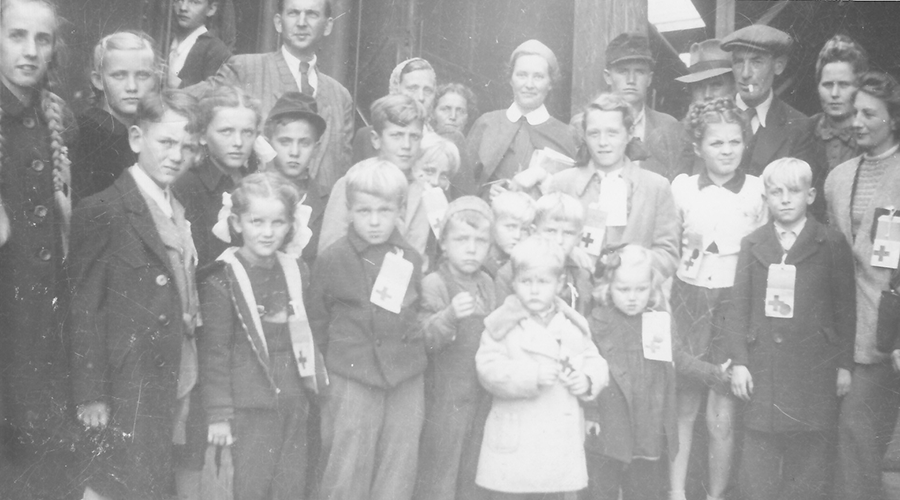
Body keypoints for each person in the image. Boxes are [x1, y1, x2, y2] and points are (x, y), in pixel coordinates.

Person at [68, 90, 201, 500]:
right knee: (114, 485)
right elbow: (84, 307)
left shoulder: (177, 206)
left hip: (169, 377)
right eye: (166, 142)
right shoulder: (103, 209)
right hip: (127, 382)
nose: (176, 155)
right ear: (136, 139)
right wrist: (91, 394)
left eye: (187, 146)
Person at [727, 157, 855, 500]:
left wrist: (844, 365)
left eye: (794, 191)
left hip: (814, 370)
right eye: (776, 192)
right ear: (765, 197)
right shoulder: (753, 243)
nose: (785, 199)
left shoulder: (830, 242)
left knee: (809, 467)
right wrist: (739, 361)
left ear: (811, 195)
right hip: (764, 367)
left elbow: (845, 309)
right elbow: (739, 305)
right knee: (757, 468)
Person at [198, 171, 322, 500]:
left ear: (290, 225)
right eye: (257, 222)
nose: (267, 233)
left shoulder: (296, 271)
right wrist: (219, 415)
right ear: (238, 223)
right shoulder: (223, 277)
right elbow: (215, 352)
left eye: (277, 223)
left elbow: (306, 335)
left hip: (294, 402)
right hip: (249, 407)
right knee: (249, 487)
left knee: (290, 486)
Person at [307, 160, 426, 500]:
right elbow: (318, 320)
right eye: (364, 211)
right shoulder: (332, 259)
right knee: (346, 466)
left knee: (399, 465)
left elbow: (413, 314)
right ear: (349, 211)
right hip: (352, 373)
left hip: (404, 375)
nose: (374, 221)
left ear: (400, 209)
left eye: (385, 210)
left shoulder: (410, 258)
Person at [668, 97, 768, 500]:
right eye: (716, 143)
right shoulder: (682, 188)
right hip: (688, 298)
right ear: (697, 148)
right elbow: (671, 243)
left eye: (734, 142)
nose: (726, 151)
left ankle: (715, 495)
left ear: (745, 143)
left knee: (721, 413)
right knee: (684, 406)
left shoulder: (759, 191)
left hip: (733, 304)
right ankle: (676, 494)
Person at [0, 0, 77, 495]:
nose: (30, 51)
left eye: (42, 39)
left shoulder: (57, 118)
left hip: (44, 330)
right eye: (16, 36)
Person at [475, 235, 607, 499]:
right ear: (514, 283)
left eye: (543, 282)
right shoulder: (502, 325)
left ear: (559, 284)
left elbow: (595, 360)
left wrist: (588, 379)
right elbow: (488, 369)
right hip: (518, 440)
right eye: (526, 282)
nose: (534, 290)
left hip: (557, 446)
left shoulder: (571, 324)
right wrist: (530, 375)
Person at [825, 71, 900, 500]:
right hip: (842, 329)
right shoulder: (838, 177)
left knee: (858, 429)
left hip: (886, 332)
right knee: (847, 438)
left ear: (892, 119)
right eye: (854, 112)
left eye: (869, 113)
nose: (857, 120)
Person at [191, 0, 353, 192]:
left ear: (328, 26)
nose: (301, 22)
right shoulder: (245, 69)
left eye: (311, 14)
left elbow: (343, 171)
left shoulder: (340, 96)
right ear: (278, 22)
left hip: (319, 216)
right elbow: (185, 104)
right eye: (293, 13)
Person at [413, 196, 496, 500]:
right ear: (444, 244)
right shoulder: (436, 283)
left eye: (480, 240)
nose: (472, 248)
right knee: (440, 471)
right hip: (444, 398)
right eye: (462, 240)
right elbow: (423, 337)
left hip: (480, 394)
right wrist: (448, 316)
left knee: (473, 470)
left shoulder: (488, 283)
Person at [547, 94, 679, 277]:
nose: (603, 143)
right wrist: (567, 251)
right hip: (577, 295)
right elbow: (543, 243)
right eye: (594, 133)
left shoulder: (656, 187)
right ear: (584, 136)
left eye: (612, 133)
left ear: (630, 133)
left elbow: (668, 255)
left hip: (631, 296)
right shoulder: (562, 184)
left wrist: (631, 262)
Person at [584, 244, 676, 500]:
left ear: (651, 287)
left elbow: (678, 358)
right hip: (609, 428)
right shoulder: (597, 323)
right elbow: (589, 371)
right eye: (623, 289)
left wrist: (715, 373)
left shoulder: (657, 320)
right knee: (601, 489)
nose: (632, 297)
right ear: (608, 288)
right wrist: (590, 413)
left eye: (641, 289)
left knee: (644, 490)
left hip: (646, 428)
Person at [466, 39, 578, 200]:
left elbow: (573, 195)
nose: (529, 84)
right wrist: (487, 192)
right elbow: (464, 186)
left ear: (550, 83)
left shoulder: (567, 135)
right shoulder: (486, 124)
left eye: (538, 77)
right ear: (511, 79)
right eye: (522, 75)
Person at [317, 93, 425, 254]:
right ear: (376, 139)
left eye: (414, 136)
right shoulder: (351, 183)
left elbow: (417, 255)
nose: (406, 145)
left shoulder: (422, 191)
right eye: (397, 135)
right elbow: (328, 252)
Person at [174, 85, 261, 267]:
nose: (238, 142)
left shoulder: (254, 182)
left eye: (247, 132)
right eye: (226, 131)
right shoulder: (187, 185)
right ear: (203, 135)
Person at [72, 31, 158, 199]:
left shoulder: (148, 133)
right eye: (119, 75)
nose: (132, 86)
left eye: (142, 75)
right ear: (98, 80)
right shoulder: (86, 134)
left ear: (154, 80)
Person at [720, 24, 813, 177]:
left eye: (756, 62)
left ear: (779, 66)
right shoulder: (710, 118)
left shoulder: (799, 127)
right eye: (738, 62)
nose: (745, 73)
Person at [802, 34, 869, 222]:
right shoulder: (803, 131)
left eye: (844, 85)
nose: (834, 93)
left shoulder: (873, 136)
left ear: (859, 87)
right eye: (827, 85)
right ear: (818, 87)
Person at [494, 192, 593, 316]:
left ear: (579, 238)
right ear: (534, 231)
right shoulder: (511, 272)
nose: (559, 240)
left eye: (568, 233)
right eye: (550, 231)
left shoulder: (580, 275)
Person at [601, 32, 683, 181]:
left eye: (639, 71)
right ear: (608, 77)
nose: (631, 80)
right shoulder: (585, 125)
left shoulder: (668, 126)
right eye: (622, 71)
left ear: (649, 78)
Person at [264, 91, 329, 265]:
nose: (294, 152)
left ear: (316, 148)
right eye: (285, 141)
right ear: (269, 143)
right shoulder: (254, 192)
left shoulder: (328, 201)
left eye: (304, 143)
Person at [351, 58, 437, 164]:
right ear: (396, 89)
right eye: (412, 88)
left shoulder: (442, 140)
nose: (421, 97)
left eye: (428, 90)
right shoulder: (366, 137)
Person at [673, 39, 736, 177]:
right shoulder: (670, 136)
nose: (707, 95)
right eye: (699, 86)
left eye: (716, 85)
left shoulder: (743, 135)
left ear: (733, 88)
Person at [167, 0, 231, 89]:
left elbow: (213, 95)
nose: (183, 8)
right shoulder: (165, 41)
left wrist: (176, 84)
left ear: (211, 9)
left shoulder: (215, 50)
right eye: (179, 0)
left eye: (194, 2)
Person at [483, 190, 535, 278]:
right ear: (492, 223)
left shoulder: (527, 266)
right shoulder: (479, 262)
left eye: (524, 229)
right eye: (510, 227)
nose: (517, 236)